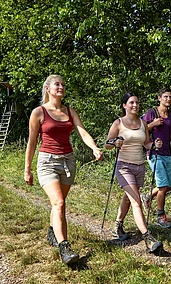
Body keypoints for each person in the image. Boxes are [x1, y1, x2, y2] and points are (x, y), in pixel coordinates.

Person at [24, 75, 103, 265]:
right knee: (58, 203)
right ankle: (64, 248)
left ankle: (53, 232)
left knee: (59, 203)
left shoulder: (70, 111)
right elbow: (32, 142)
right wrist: (27, 168)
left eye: (63, 84)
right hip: (47, 162)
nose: (61, 87)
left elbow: (82, 131)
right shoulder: (39, 112)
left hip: (68, 162)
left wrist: (93, 147)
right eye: (57, 84)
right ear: (48, 89)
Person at [105, 92, 164, 253]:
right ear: (124, 105)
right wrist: (115, 142)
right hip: (124, 167)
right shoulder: (118, 123)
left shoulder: (143, 123)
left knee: (129, 197)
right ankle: (148, 238)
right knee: (136, 202)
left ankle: (117, 224)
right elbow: (107, 144)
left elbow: (145, 143)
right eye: (131, 103)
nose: (135, 105)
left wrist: (154, 144)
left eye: (137, 102)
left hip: (140, 166)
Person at [141, 87, 171, 228]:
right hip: (154, 153)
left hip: (167, 153)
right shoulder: (152, 112)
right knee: (162, 186)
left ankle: (148, 196)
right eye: (165, 97)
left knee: (166, 185)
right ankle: (160, 216)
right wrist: (153, 124)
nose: (168, 99)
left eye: (170, 97)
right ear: (159, 98)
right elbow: (141, 129)